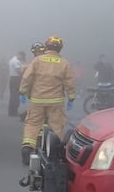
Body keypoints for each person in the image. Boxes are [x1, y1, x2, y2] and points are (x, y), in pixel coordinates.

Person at [19, 36, 76, 165]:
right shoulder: (64, 63)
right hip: (56, 101)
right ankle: (55, 152)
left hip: (37, 99)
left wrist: (22, 92)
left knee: (33, 124)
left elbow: (27, 77)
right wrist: (71, 98)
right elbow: (70, 82)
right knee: (57, 125)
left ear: (47, 46)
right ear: (60, 48)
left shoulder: (37, 61)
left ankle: (27, 148)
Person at [7, 51, 26, 116]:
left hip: (12, 79)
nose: (22, 59)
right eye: (22, 57)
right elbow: (19, 72)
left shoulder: (12, 59)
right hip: (16, 79)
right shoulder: (16, 61)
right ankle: (14, 112)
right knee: (15, 96)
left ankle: (11, 112)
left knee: (12, 96)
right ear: (20, 55)